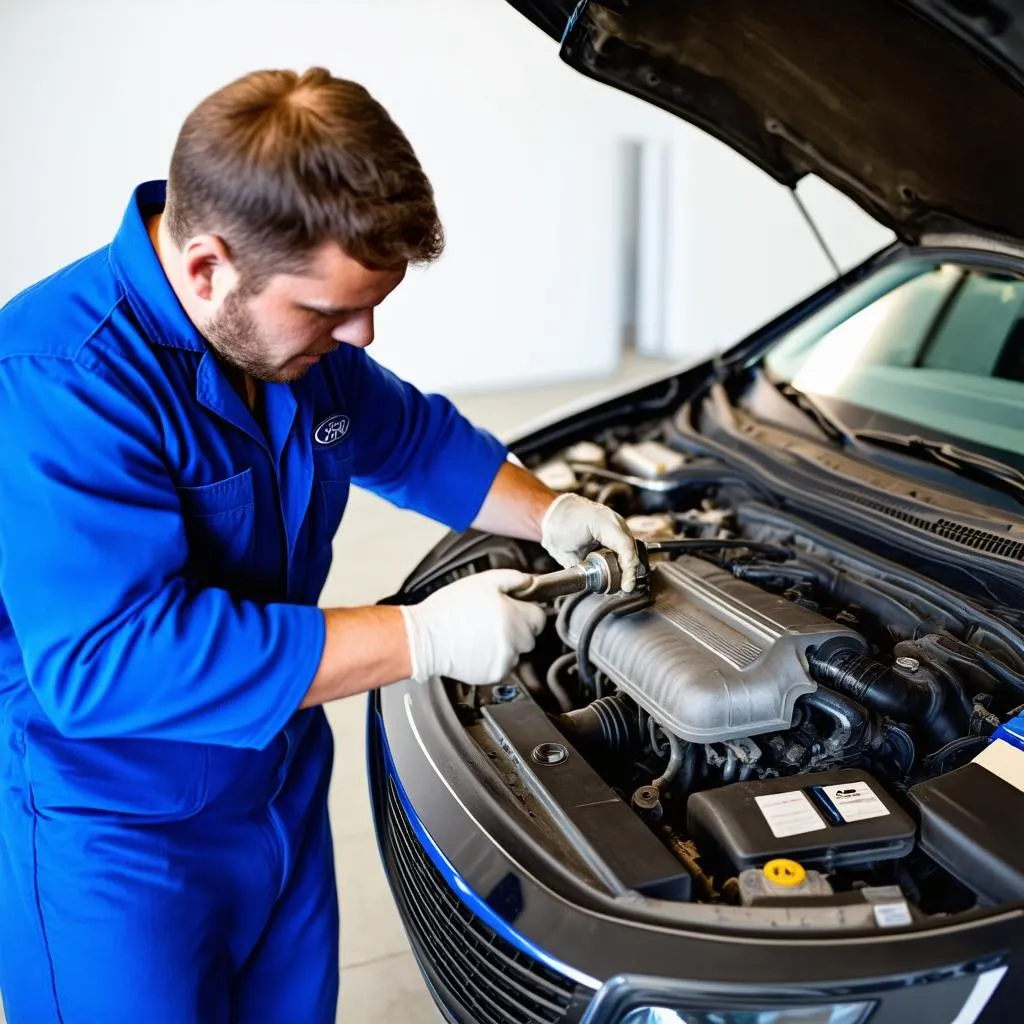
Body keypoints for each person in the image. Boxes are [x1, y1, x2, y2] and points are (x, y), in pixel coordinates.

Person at [0, 67, 638, 1024]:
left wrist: (549, 513)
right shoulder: (61, 379)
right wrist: (417, 638)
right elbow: (109, 662)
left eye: (373, 303)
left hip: (277, 774)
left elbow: (411, 439)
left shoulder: (292, 347)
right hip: (114, 827)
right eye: (329, 309)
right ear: (209, 265)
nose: (362, 332)